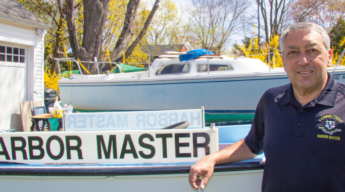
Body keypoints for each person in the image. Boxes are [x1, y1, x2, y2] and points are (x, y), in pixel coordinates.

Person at [189, 22, 345, 192]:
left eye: (312, 51)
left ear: (329, 56)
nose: (303, 60)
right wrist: (212, 159)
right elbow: (251, 145)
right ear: (284, 61)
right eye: (293, 52)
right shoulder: (271, 100)